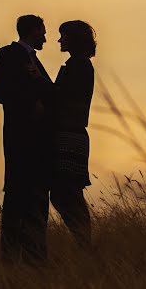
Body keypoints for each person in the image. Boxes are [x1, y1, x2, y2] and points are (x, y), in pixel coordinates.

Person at [0, 15, 54, 263]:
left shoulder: (36, 62)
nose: (46, 38)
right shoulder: (8, 54)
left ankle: (35, 258)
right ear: (32, 31)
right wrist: (30, 103)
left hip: (39, 143)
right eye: (43, 32)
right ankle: (13, 257)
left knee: (37, 198)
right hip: (20, 140)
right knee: (18, 196)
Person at [50, 20, 96, 249]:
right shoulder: (77, 64)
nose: (59, 40)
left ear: (74, 39)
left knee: (65, 192)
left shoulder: (79, 65)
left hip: (70, 135)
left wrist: (40, 83)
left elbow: (63, 97)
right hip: (70, 134)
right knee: (65, 192)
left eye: (63, 36)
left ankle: (85, 245)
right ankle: (84, 244)